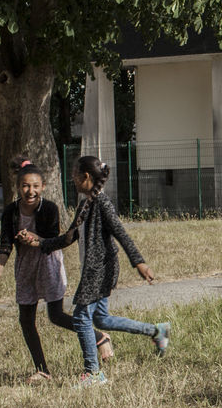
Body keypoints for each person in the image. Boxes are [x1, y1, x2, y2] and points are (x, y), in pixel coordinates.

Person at [19, 155, 170, 387]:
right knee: (101, 318)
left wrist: (138, 262)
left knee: (81, 317)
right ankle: (156, 331)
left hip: (100, 269)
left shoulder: (102, 203)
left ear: (86, 177)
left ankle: (93, 373)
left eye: (74, 175)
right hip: (93, 270)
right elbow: (68, 238)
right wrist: (39, 242)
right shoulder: (85, 204)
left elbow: (120, 233)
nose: (72, 179)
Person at [0, 156, 75, 381]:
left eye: (35, 186)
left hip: (48, 264)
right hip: (25, 266)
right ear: (18, 187)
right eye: (25, 186)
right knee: (26, 320)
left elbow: (53, 239)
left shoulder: (50, 208)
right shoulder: (10, 211)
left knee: (56, 315)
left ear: (43, 187)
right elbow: (6, 241)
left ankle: (99, 337)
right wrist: (0, 266)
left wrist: (34, 239)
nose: (30, 191)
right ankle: (42, 370)